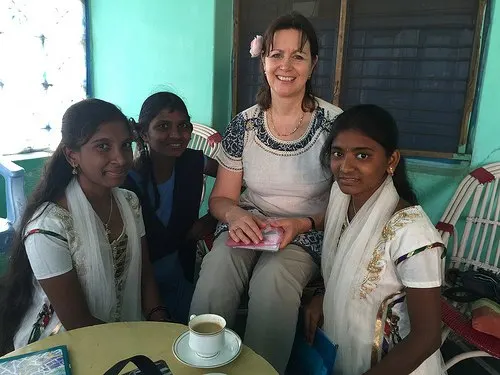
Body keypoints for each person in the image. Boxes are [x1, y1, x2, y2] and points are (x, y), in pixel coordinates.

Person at [190, 12, 342, 374]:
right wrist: (235, 215)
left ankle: (261, 370)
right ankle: (199, 364)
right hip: (248, 227)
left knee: (274, 283)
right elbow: (221, 198)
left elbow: (346, 207)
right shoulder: (243, 124)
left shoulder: (335, 125)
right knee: (215, 273)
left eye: (298, 56)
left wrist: (302, 223)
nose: (286, 66)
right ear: (263, 61)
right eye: (276, 55)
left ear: (313, 64)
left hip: (307, 233)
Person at [0, 99, 168, 355]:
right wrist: (144, 345)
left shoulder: (129, 203)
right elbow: (78, 324)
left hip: (125, 330)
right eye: (103, 146)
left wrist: (161, 322)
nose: (121, 159)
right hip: (61, 345)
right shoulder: (49, 226)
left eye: (125, 145)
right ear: (72, 155)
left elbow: (145, 273)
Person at [305, 104, 445, 374]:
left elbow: (427, 337)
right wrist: (323, 296)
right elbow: (343, 265)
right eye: (338, 153)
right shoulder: (341, 198)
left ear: (391, 161)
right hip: (342, 352)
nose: (345, 167)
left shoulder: (412, 234)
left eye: (362, 155)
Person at [123, 92, 217, 323]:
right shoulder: (125, 180)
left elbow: (238, 182)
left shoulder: (195, 162)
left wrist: (211, 218)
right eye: (163, 126)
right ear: (144, 133)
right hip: (136, 283)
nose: (176, 135)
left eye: (183, 126)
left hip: (180, 274)